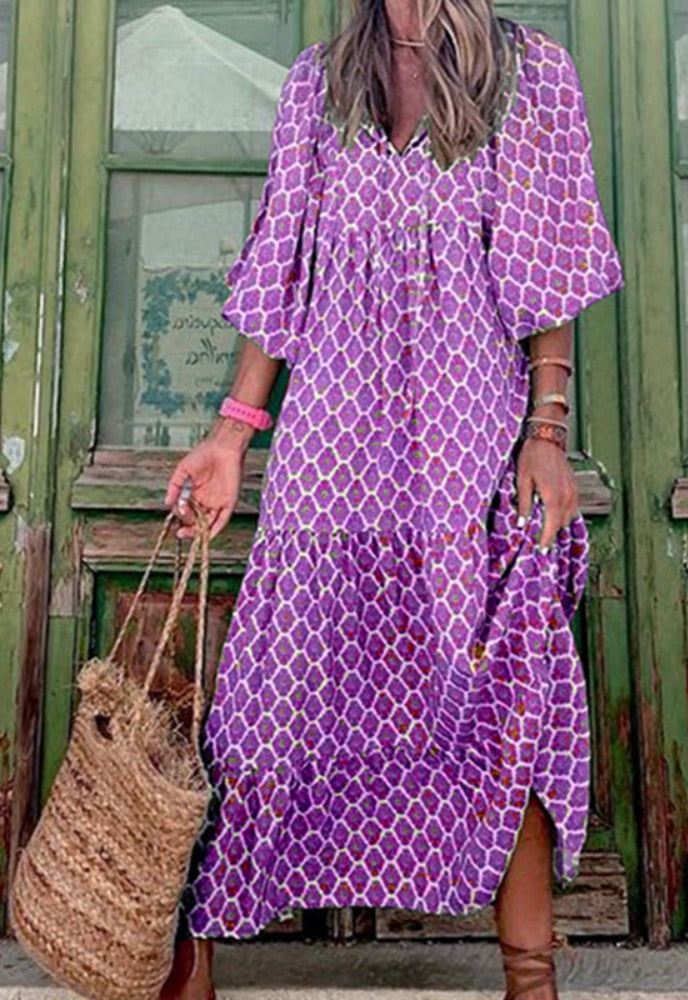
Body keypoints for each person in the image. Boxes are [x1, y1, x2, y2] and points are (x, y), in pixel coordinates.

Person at [161, 1, 624, 998]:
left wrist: (547, 435)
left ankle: (531, 975)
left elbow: (551, 264)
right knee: (272, 702)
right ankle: (195, 948)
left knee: (500, 698)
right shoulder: (319, 83)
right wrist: (232, 435)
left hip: (467, 454)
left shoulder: (529, 74)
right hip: (328, 457)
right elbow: (282, 271)